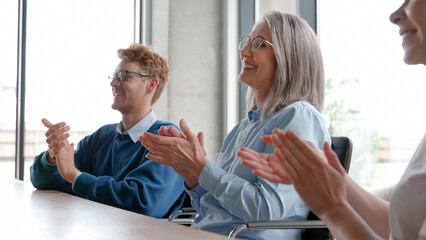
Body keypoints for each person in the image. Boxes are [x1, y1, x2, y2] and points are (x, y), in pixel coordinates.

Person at [241, 1, 426, 239]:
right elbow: (404, 230)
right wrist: (330, 178)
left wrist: (332, 210)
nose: (395, 15)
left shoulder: (299, 114)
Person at [139, 12, 330, 240]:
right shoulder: (244, 127)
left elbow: (267, 211)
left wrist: (202, 168)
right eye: (247, 41)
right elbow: (215, 213)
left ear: (289, 56)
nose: (244, 52)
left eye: (259, 43)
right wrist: (192, 174)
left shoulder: (298, 117)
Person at [30, 43, 186, 218]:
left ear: (151, 84)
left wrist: (74, 176)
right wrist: (53, 155)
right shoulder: (101, 137)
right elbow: (44, 182)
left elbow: (142, 203)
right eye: (114, 76)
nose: (113, 83)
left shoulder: (168, 139)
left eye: (123, 76)